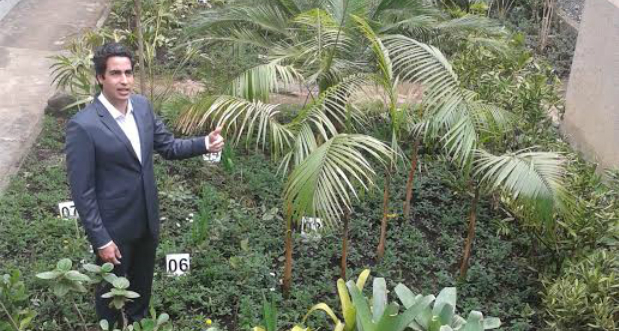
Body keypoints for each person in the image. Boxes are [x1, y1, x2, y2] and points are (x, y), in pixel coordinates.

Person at [65, 42, 224, 325]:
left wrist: (205, 143)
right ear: (101, 77)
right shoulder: (84, 125)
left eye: (128, 72)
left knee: (141, 292)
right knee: (111, 297)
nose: (124, 80)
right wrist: (101, 238)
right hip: (113, 230)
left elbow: (168, 146)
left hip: (147, 220)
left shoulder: (141, 107)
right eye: (115, 73)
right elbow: (83, 191)